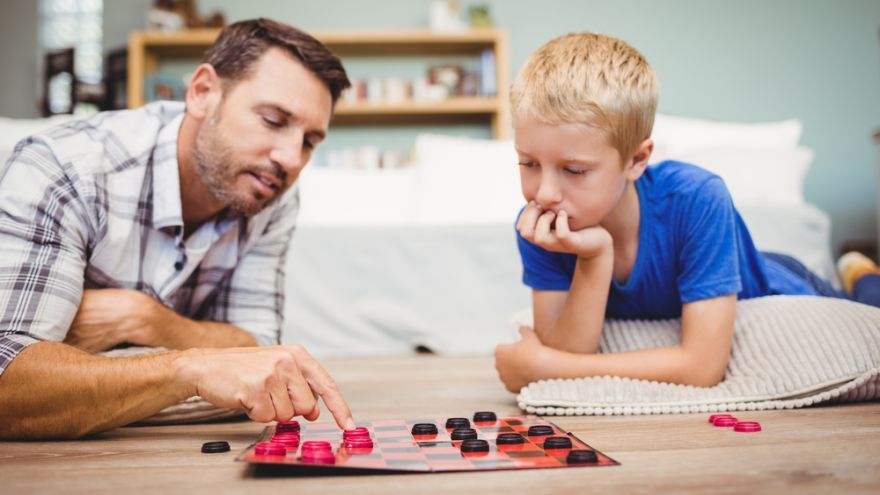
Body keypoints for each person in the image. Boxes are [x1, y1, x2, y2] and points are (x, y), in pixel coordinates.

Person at [0, 18, 356, 439]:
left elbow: (260, 356)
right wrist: (193, 366)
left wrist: (148, 321)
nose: (293, 159)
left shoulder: (269, 193)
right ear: (203, 93)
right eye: (274, 120)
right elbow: (10, 382)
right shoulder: (67, 168)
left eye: (310, 141)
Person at [494, 32, 880, 393]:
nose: (544, 192)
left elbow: (702, 368)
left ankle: (861, 271)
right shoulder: (539, 224)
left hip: (782, 279)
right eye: (528, 163)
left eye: (575, 170)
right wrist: (595, 257)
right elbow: (567, 351)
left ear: (637, 159)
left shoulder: (697, 197)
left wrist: (546, 367)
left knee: (868, 304)